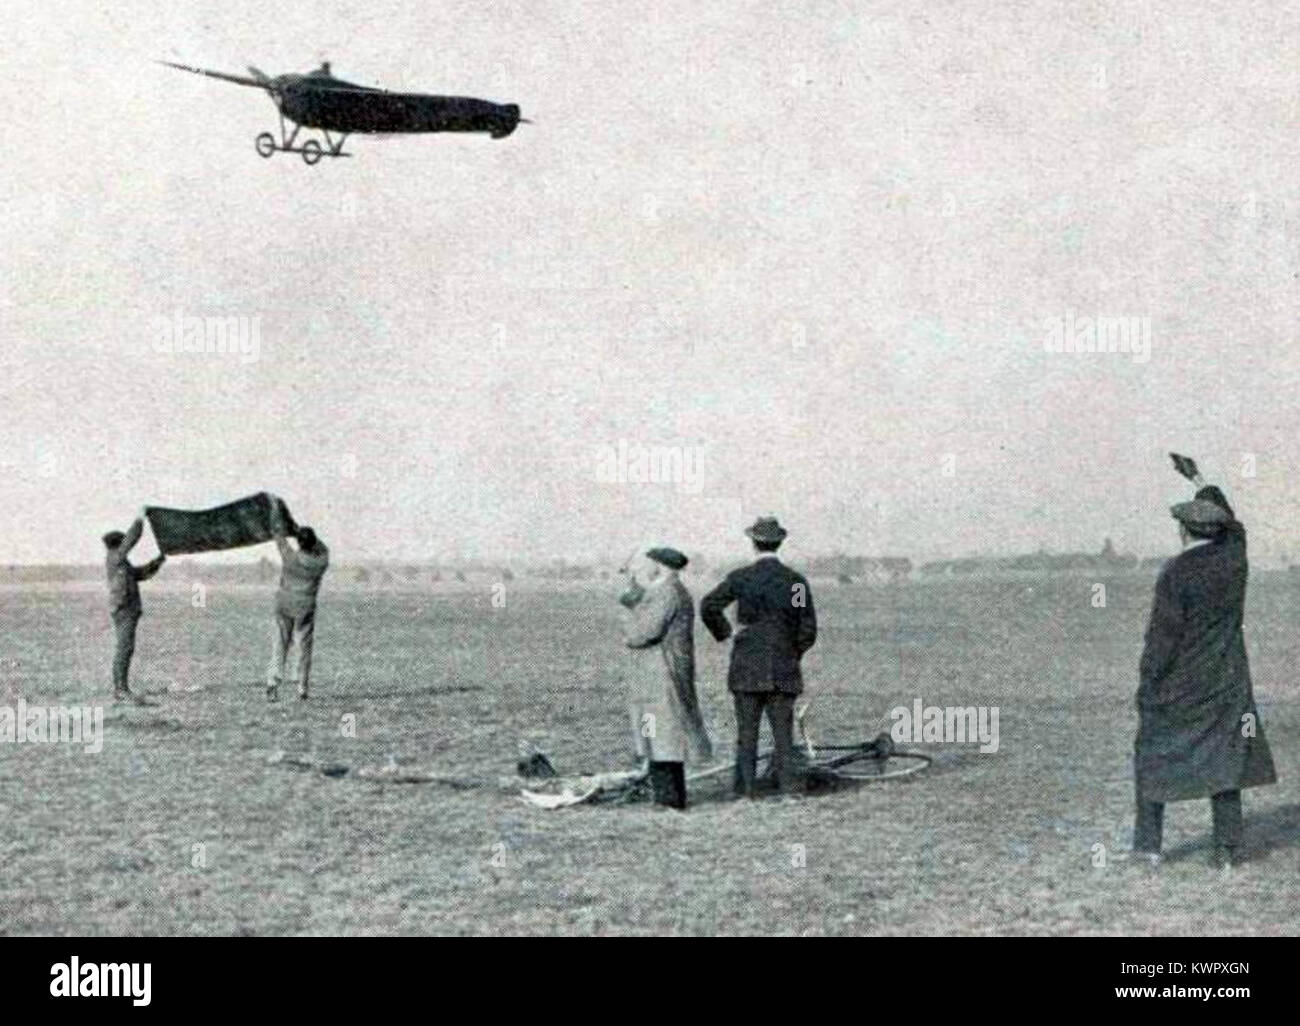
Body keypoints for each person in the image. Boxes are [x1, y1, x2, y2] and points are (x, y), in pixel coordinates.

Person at [1133, 485, 1277, 872]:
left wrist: (1148, 685)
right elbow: (1239, 529)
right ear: (1218, 527)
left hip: (1179, 686)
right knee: (1225, 763)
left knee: (1151, 756)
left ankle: (1149, 848)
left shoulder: (1176, 573)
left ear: (1184, 530)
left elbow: (1162, 639)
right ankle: (1226, 851)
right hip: (1227, 681)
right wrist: (1204, 482)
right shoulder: (1234, 562)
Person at [701, 516, 816, 797]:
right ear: (780, 543)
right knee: (783, 736)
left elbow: (709, 605)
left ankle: (745, 792)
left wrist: (728, 634)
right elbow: (807, 627)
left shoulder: (741, 578)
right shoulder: (796, 583)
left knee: (747, 736)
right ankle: (789, 790)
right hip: (783, 667)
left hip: (746, 666)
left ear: (753, 544)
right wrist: (792, 652)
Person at [618, 547, 713, 809]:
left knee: (663, 737)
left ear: (659, 566)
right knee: (662, 735)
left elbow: (643, 633)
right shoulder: (669, 591)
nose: (644, 568)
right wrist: (634, 598)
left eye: (648, 564)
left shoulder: (666, 593)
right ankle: (668, 797)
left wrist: (629, 609)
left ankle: (668, 800)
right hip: (661, 672)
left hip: (661, 673)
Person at [266, 498, 329, 702]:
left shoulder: (290, 557)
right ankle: (302, 687)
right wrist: (299, 532)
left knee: (280, 644)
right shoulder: (321, 561)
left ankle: (273, 684)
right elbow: (322, 546)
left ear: (299, 543)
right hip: (305, 608)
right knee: (304, 648)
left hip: (284, 604)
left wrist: (284, 522)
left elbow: (277, 534)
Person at [103, 511, 166, 702]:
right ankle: (120, 689)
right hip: (124, 609)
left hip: (125, 609)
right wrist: (140, 518)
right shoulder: (116, 557)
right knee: (125, 648)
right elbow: (132, 538)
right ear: (118, 544)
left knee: (126, 647)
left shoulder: (120, 561)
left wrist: (157, 562)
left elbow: (140, 574)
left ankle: (121, 688)